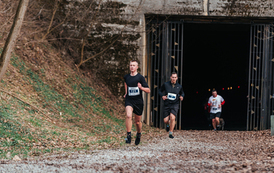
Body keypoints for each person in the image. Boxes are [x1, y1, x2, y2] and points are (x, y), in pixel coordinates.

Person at [124, 60, 150, 145]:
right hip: (129, 100)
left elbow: (148, 90)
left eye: (134, 65)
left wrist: (141, 87)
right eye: (131, 65)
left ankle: (138, 134)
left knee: (137, 122)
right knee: (128, 115)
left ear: (137, 67)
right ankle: (128, 135)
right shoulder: (126, 77)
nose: (132, 67)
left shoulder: (140, 78)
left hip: (138, 102)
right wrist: (126, 93)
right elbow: (126, 83)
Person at [159, 72, 184, 138]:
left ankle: (170, 133)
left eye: (175, 77)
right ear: (170, 77)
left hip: (175, 104)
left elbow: (182, 93)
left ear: (177, 78)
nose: (174, 79)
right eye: (172, 77)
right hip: (167, 104)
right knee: (165, 120)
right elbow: (159, 91)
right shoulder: (166, 84)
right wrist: (163, 96)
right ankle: (168, 124)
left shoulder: (179, 86)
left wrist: (182, 96)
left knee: (172, 117)